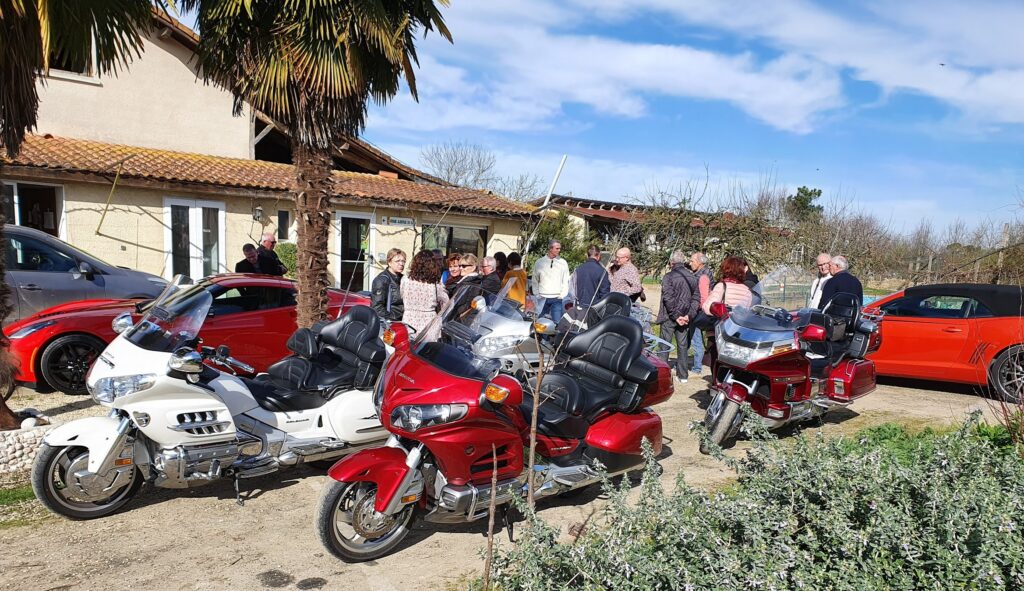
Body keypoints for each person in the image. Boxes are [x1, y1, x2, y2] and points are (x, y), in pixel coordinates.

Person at [656, 251, 699, 383]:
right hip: (684, 317)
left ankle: (662, 377)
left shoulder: (668, 277)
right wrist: (688, 315)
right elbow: (696, 299)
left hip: (669, 317)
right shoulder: (693, 277)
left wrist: (676, 316)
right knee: (682, 346)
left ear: (671, 262)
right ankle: (683, 376)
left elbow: (668, 298)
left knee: (664, 346)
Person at [401, 250, 449, 338]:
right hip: (428, 321)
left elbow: (402, 294)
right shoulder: (435, 282)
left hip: (409, 320)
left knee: (409, 345)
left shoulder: (405, 279)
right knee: (428, 346)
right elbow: (446, 302)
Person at [687, 252, 713, 375]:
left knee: (696, 339)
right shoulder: (703, 273)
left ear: (699, 262)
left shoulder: (703, 276)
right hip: (697, 311)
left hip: (698, 313)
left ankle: (697, 367)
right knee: (690, 337)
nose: (690, 263)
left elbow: (703, 298)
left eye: (692, 261)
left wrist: (694, 309)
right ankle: (685, 362)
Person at [531, 240, 570, 323]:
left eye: (559, 248)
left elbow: (566, 280)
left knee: (557, 323)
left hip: (557, 298)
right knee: (540, 323)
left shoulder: (563, 263)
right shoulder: (539, 262)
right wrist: (537, 294)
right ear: (550, 249)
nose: (559, 250)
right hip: (542, 298)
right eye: (557, 248)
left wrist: (562, 295)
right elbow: (535, 280)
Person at [370, 248, 405, 321]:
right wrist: (392, 319)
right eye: (397, 261)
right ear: (389, 262)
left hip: (404, 320)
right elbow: (377, 308)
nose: (401, 264)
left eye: (403, 261)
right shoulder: (381, 280)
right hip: (391, 322)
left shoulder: (404, 279)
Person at [573, 245, 610, 310]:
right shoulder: (602, 271)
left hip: (579, 306)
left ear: (587, 255)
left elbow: (572, 289)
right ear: (599, 255)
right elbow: (605, 293)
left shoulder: (578, 269)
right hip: (595, 308)